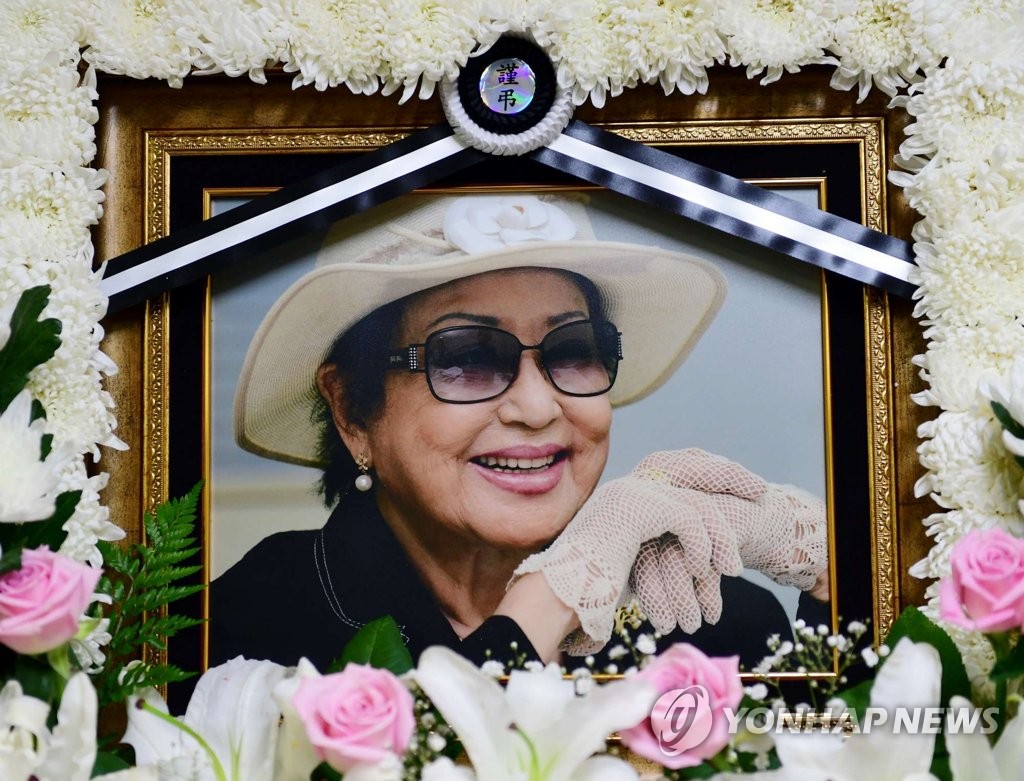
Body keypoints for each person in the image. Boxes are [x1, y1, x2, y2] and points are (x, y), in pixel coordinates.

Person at [210, 193, 829, 671]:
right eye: (467, 357)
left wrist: (826, 564)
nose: (536, 407)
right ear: (351, 409)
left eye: (573, 350)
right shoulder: (244, 625)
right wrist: (552, 598)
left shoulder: (710, 622)